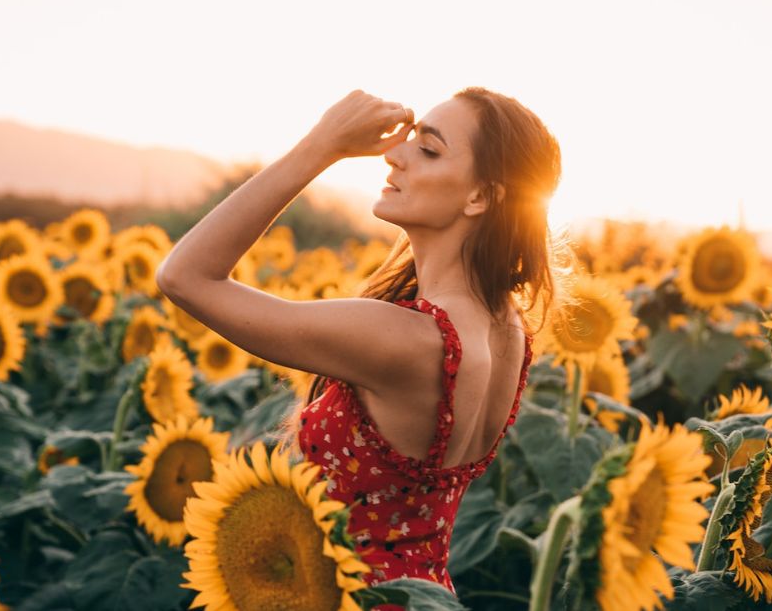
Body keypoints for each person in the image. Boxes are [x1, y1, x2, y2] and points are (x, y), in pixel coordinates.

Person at [156, 87, 562, 605]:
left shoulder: (406, 338)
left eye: (429, 150)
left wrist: (322, 145)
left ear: (481, 197)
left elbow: (185, 276)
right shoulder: (507, 329)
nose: (395, 155)